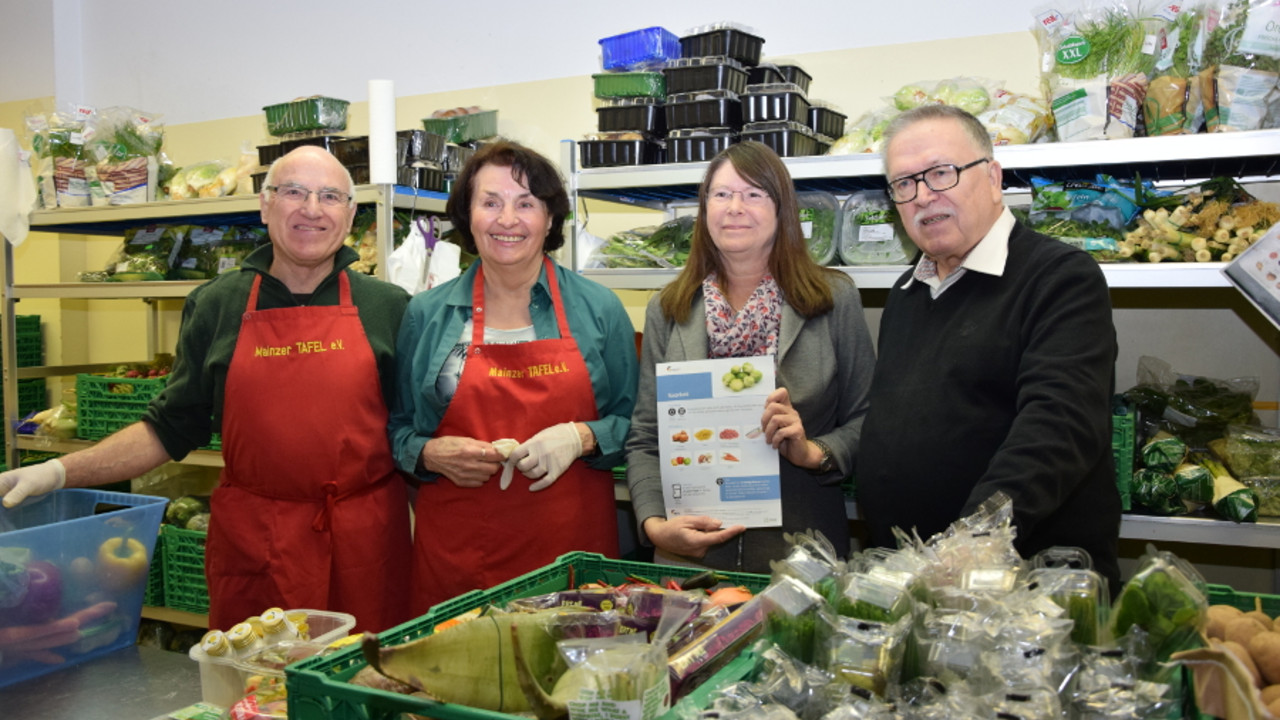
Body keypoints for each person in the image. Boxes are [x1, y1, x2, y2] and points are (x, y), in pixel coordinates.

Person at [0, 146, 413, 631]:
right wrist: (54, 472)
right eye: (294, 192)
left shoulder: (389, 307)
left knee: (364, 690)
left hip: (363, 541)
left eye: (329, 196)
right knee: (255, 693)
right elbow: (169, 429)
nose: (311, 209)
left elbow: (413, 437)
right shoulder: (217, 305)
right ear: (265, 205)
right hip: (257, 542)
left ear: (348, 215)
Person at [854, 105, 1122, 588]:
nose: (922, 196)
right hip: (914, 582)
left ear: (993, 177)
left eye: (941, 173)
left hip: (1026, 588)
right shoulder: (907, 292)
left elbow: (1060, 426)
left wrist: (974, 542)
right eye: (904, 184)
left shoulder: (1060, 277)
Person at [388, 140, 638, 615]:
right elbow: (396, 427)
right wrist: (428, 453)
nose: (507, 220)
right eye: (490, 203)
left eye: (526, 203)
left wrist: (582, 436)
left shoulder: (599, 309)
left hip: (573, 556)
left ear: (549, 218)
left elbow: (638, 424)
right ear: (468, 216)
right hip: (461, 557)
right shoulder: (426, 313)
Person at [625, 141, 876, 573]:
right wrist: (652, 524)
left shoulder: (833, 298)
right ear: (705, 210)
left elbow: (869, 418)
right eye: (721, 195)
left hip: (802, 549)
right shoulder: (669, 308)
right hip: (692, 553)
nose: (734, 207)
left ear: (782, 209)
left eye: (754, 194)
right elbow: (646, 436)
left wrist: (813, 451)